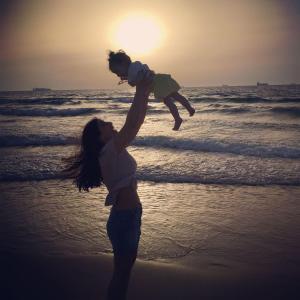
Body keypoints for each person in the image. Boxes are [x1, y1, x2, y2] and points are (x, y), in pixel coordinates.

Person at [61, 74, 153, 300]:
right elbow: (133, 123)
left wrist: (145, 92)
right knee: (121, 276)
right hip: (125, 219)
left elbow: (136, 122)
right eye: (103, 125)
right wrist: (141, 90)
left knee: (122, 275)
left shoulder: (110, 150)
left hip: (127, 217)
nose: (108, 123)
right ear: (100, 138)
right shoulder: (109, 151)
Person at [108, 49, 195, 130]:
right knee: (176, 96)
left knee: (168, 101)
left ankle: (178, 118)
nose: (118, 75)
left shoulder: (132, 70)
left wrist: (130, 80)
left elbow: (136, 81)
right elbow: (145, 71)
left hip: (158, 83)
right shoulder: (135, 65)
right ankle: (189, 108)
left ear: (123, 64)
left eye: (117, 71)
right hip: (160, 79)